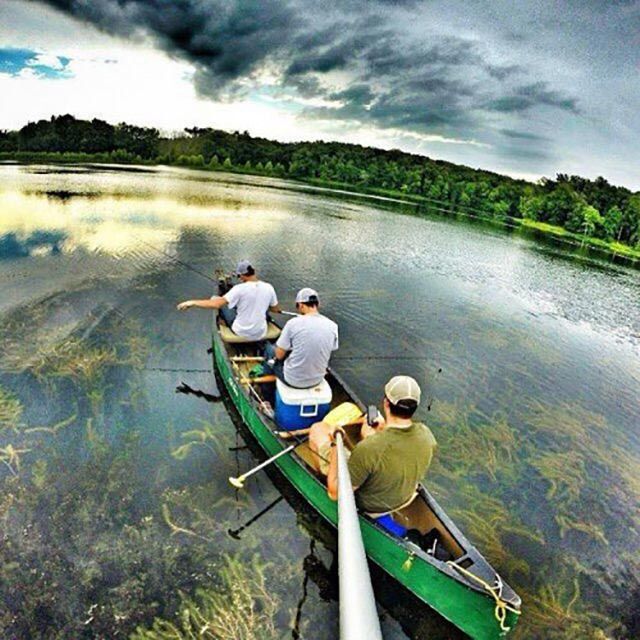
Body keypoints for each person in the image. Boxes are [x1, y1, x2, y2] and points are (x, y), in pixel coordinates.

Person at [309, 375, 437, 516]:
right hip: (404, 499)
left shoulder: (369, 448)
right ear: (415, 407)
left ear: (386, 404)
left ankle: (320, 477)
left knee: (318, 430)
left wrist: (335, 443)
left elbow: (334, 493)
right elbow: (390, 450)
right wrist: (380, 431)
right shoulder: (426, 435)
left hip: (368, 505)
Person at [177, 260, 280, 341]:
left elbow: (216, 305)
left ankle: (222, 319)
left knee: (219, 303)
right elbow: (275, 309)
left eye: (239, 276)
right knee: (261, 309)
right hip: (260, 332)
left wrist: (192, 302)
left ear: (242, 275)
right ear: (254, 271)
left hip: (241, 331)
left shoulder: (239, 289)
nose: (239, 278)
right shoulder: (269, 287)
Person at [264, 287, 338, 389]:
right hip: (317, 379)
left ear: (301, 305)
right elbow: (330, 348)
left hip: (293, 380)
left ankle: (266, 393)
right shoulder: (333, 325)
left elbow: (279, 355)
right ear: (318, 304)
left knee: (269, 349)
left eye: (297, 306)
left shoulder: (293, 323)